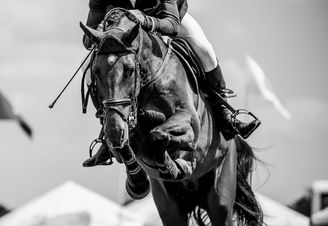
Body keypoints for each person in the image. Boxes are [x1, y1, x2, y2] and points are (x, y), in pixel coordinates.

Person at [82, 0, 261, 167]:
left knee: (205, 50)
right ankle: (107, 132)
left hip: (167, 20)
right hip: (123, 37)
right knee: (89, 70)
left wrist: (145, 19)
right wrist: (98, 31)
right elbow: (87, 39)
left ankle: (224, 113)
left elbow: (172, 24)